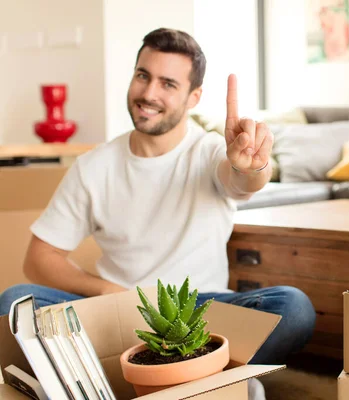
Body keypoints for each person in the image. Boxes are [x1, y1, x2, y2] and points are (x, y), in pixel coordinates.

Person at [0, 28, 316, 374]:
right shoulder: (94, 165)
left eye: (168, 84)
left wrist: (252, 165)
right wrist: (106, 290)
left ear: (194, 97)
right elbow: (39, 258)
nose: (148, 93)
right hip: (119, 310)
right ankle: (205, 373)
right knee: (12, 304)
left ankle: (151, 372)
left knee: (293, 307)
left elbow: (242, 181)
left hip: (199, 314)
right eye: (142, 76)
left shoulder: (210, 151)